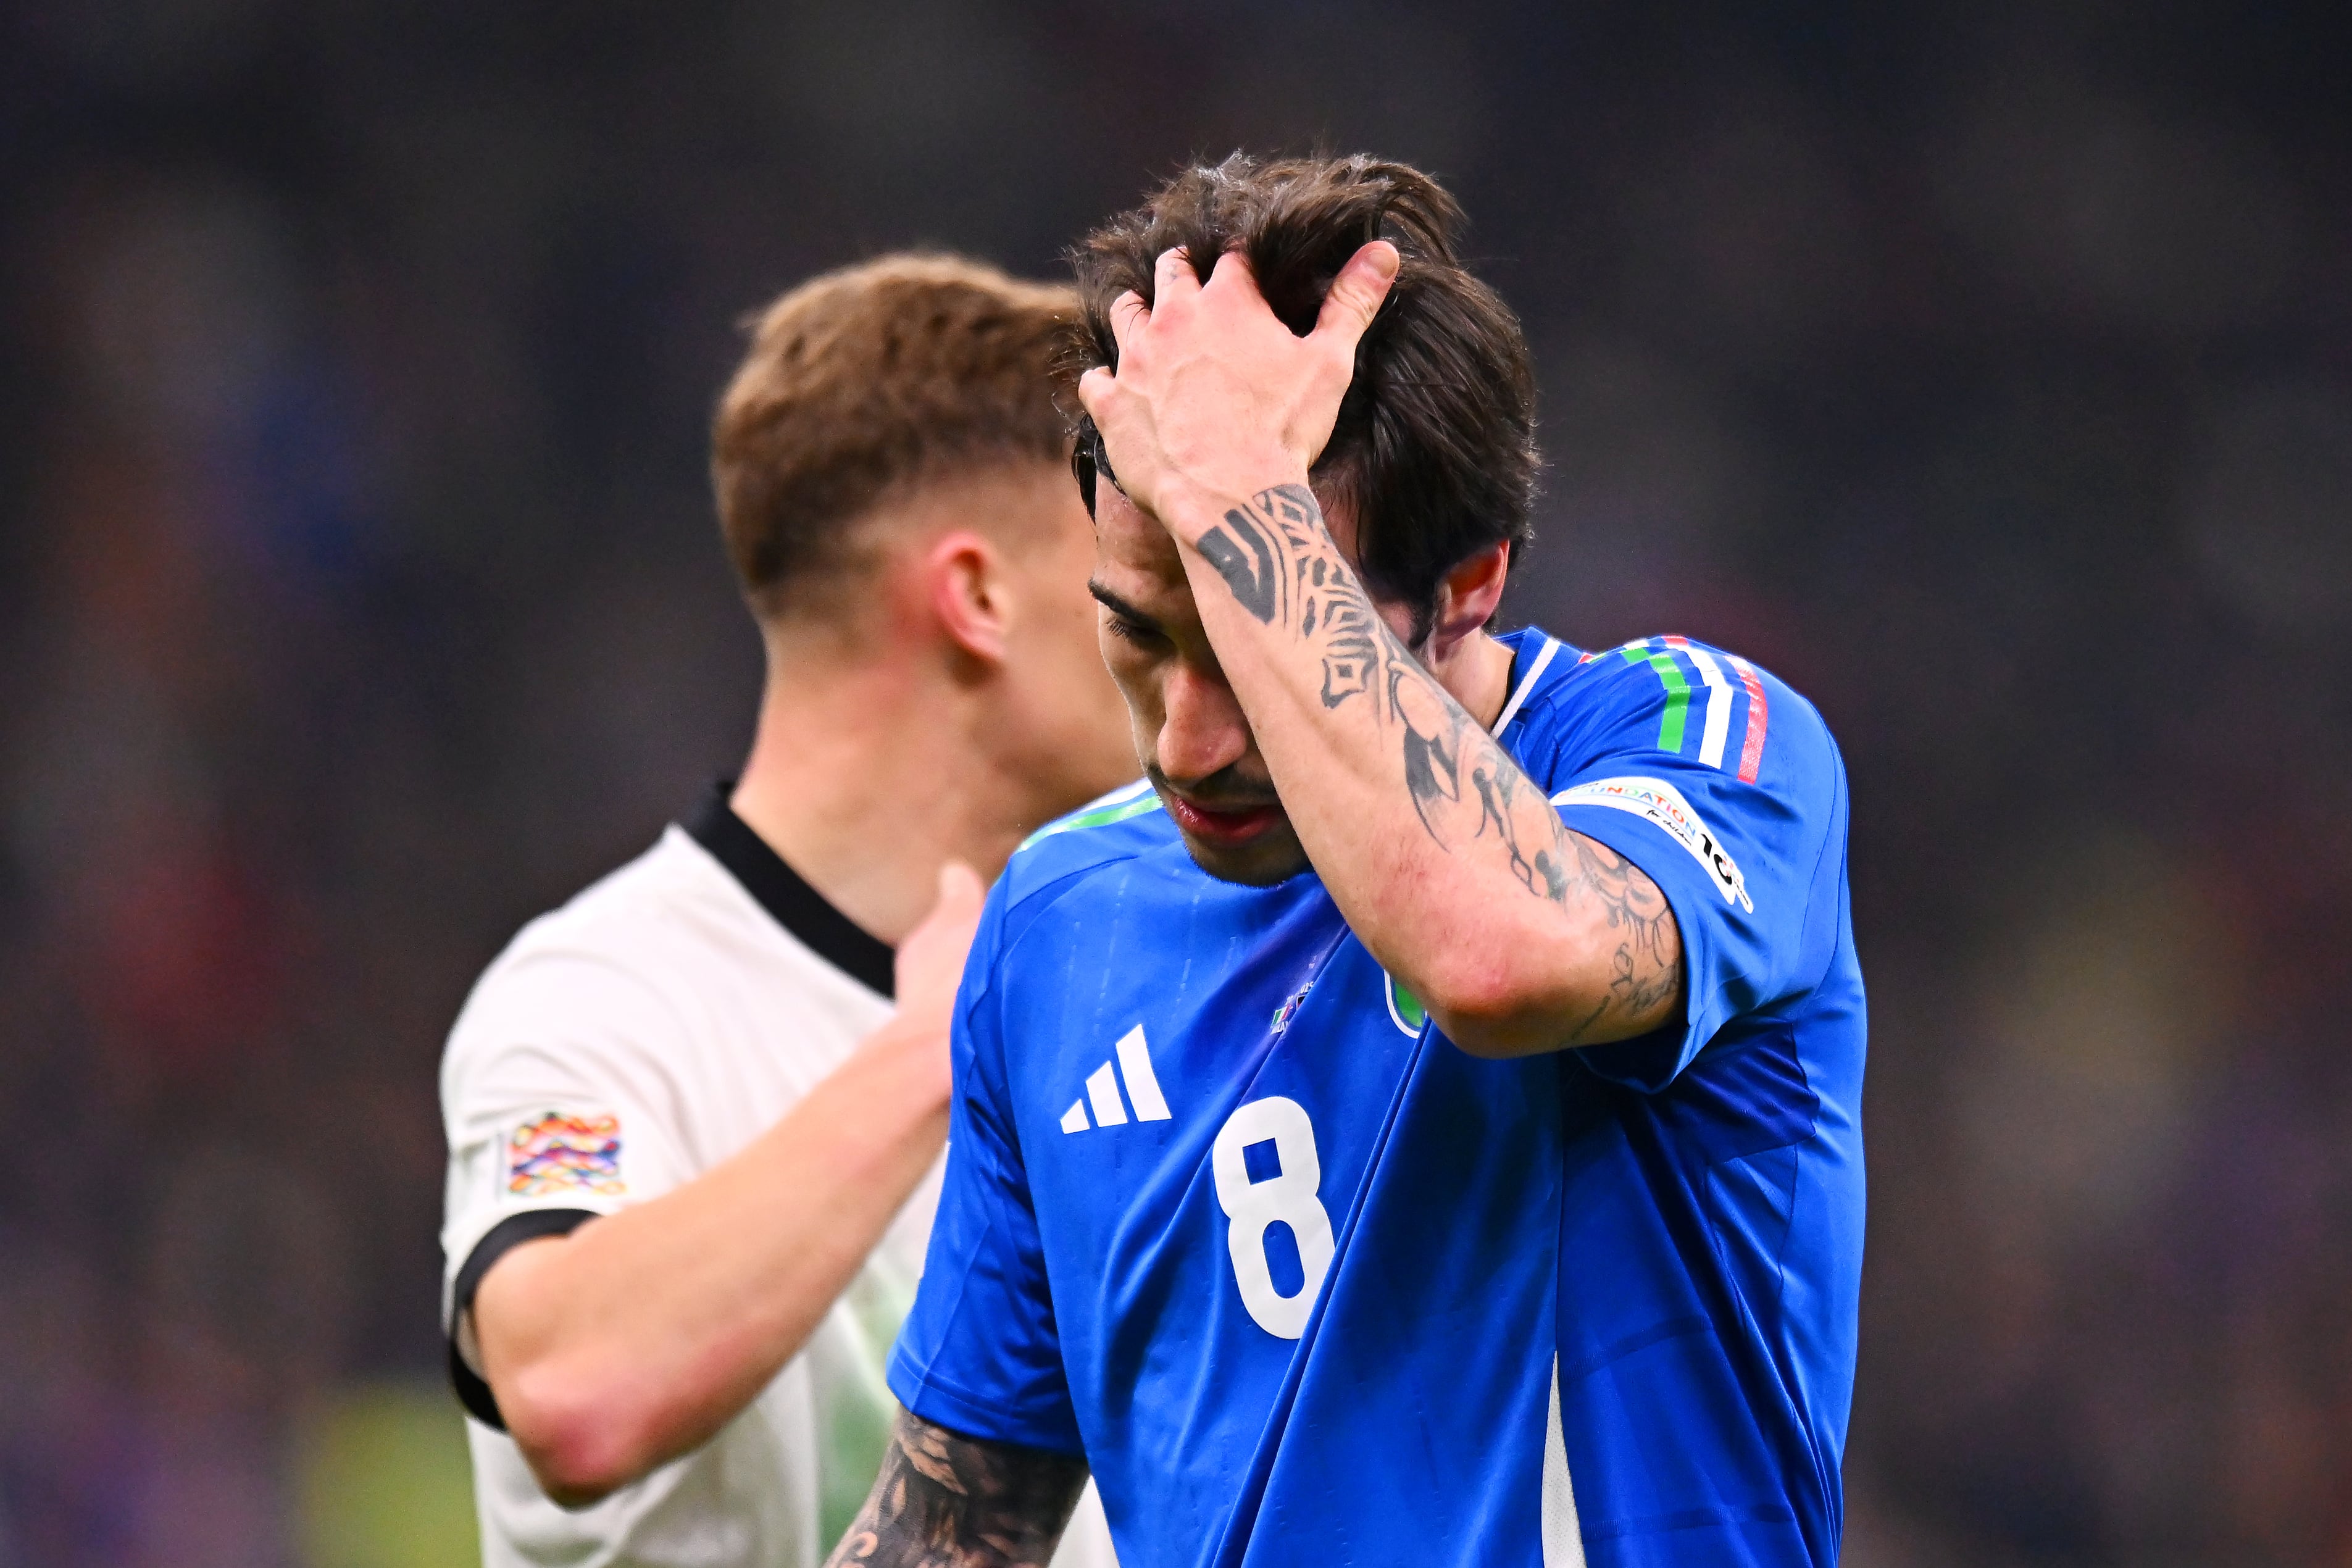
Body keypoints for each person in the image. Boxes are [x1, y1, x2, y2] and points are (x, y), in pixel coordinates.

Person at [834, 157, 1866, 1567]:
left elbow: (1500, 955)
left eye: (1248, 644)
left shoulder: (1696, 747)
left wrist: (1237, 492)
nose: (1189, 745)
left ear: (1471, 586)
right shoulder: (1060, 919)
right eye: (1142, 634)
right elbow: (959, 1533)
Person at [439, 253, 1130, 1568]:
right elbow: (573, 1391)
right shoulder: (601, 995)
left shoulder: (1126, 979)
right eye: (1120, 551)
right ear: (977, 598)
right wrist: (934, 1053)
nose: (1165, 614)